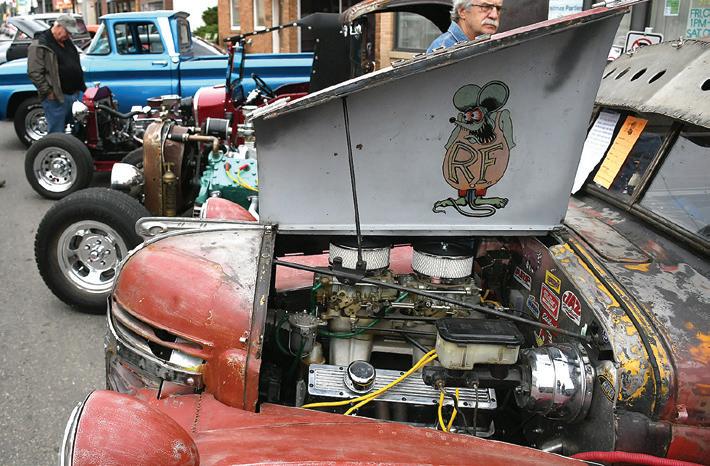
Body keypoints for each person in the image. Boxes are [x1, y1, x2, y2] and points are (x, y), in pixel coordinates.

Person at [27, 14, 86, 134]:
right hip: (57, 97)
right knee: (57, 132)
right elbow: (34, 72)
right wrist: (48, 92)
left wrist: (82, 89)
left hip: (75, 93)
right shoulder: (40, 44)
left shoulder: (66, 41)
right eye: (67, 32)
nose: (69, 35)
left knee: (78, 129)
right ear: (58, 26)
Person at [427, 0, 503, 53]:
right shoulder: (443, 50)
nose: (494, 15)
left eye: (498, 9)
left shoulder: (496, 46)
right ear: (462, 12)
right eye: (485, 7)